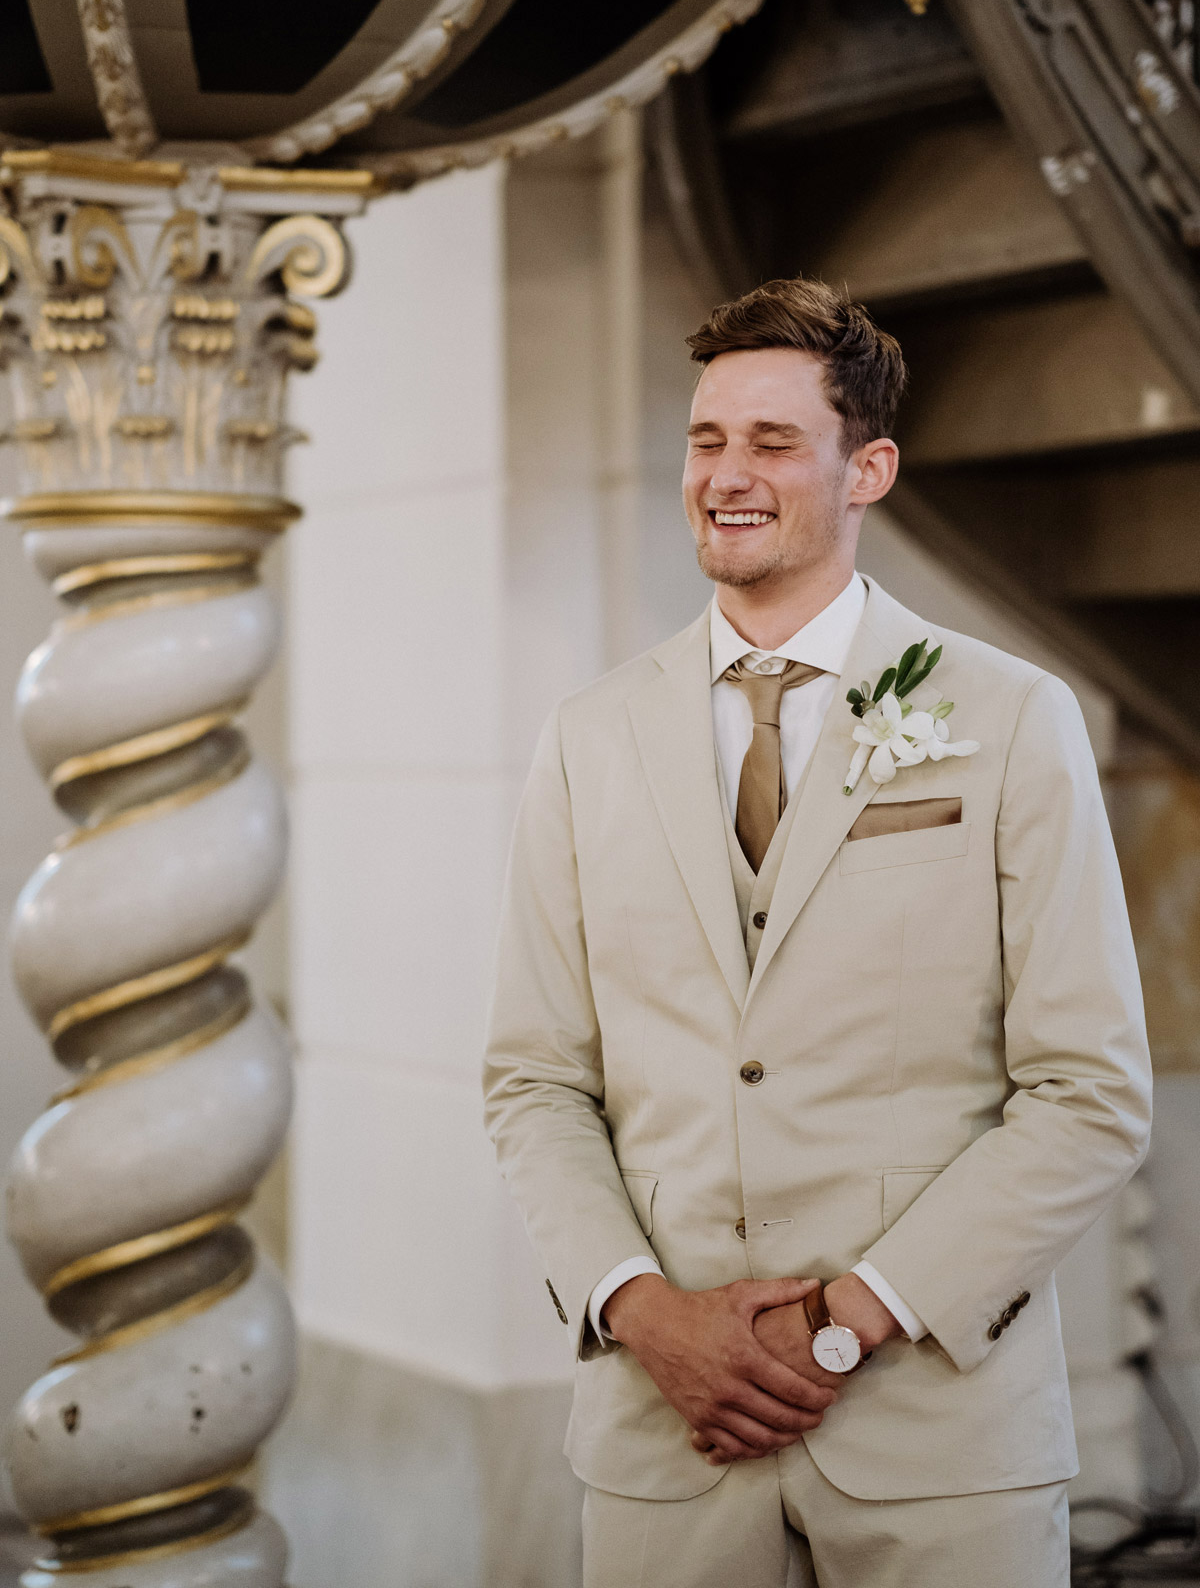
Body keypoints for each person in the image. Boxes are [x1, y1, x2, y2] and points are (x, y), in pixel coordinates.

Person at [482, 276, 1151, 1588]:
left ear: (869, 470)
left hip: (939, 1437)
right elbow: (535, 1081)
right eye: (706, 440)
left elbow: (1089, 1093)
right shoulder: (589, 737)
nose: (727, 476)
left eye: (775, 443)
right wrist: (644, 1309)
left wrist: (851, 1322)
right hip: (666, 1435)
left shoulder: (1014, 718)